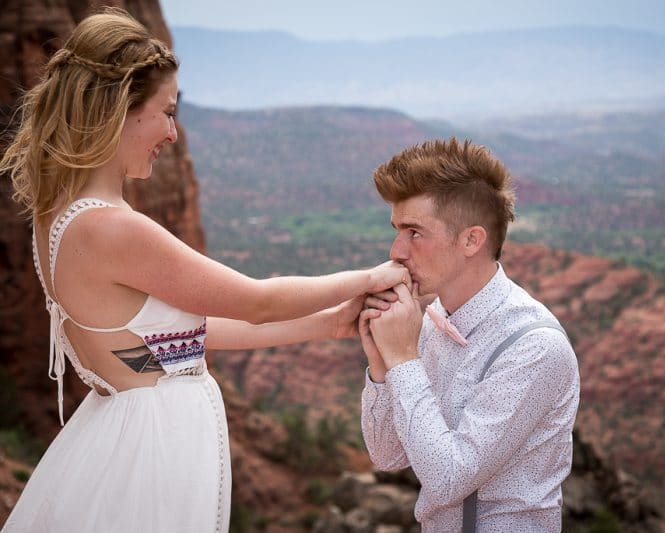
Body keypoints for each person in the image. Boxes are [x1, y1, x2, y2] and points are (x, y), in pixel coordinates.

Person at [0, 8, 408, 533]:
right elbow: (255, 300)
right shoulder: (114, 229)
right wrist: (373, 276)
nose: (173, 132)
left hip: (123, 436)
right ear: (120, 110)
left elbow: (176, 340)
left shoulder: (57, 216)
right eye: (166, 111)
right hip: (153, 453)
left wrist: (327, 323)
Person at [359, 138, 580, 532]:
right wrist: (380, 364)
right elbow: (388, 456)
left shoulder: (535, 347)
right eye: (396, 230)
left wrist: (403, 359)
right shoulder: (431, 319)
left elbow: (447, 481)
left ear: (471, 240)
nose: (396, 250)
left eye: (414, 232)